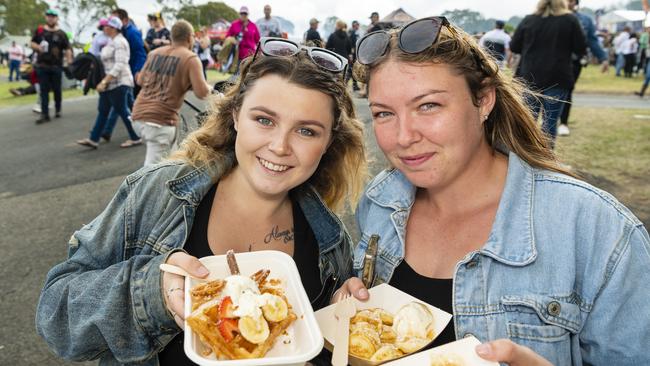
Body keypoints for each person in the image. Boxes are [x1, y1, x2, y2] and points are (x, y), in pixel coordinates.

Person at [337, 14, 650, 366]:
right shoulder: (379, 202)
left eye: (428, 105)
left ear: (484, 99)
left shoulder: (597, 231)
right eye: (383, 114)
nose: (404, 136)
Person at [36, 36, 366, 365]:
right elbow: (56, 314)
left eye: (306, 131)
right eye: (264, 120)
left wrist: (337, 328)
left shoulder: (332, 242)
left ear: (328, 143)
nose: (280, 146)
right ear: (236, 116)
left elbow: (310, 345)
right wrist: (153, 293)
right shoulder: (157, 193)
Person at [132, 20, 212, 166]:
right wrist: (216, 92)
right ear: (189, 38)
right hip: (159, 124)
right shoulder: (190, 58)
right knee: (151, 174)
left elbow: (141, 81)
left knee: (173, 161)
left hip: (138, 117)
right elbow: (202, 93)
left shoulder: (154, 53)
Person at [510, 0, 586, 145]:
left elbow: (514, 46)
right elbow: (580, 48)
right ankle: (546, 162)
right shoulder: (570, 20)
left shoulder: (529, 20)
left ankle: (526, 161)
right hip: (558, 77)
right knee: (549, 125)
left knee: (528, 124)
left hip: (529, 77)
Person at [75, 16, 140, 149]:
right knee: (103, 110)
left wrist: (105, 81)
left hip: (119, 82)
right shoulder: (110, 42)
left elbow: (120, 64)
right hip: (110, 83)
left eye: (107, 26)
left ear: (114, 28)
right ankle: (93, 139)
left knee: (123, 110)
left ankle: (136, 136)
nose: (104, 28)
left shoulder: (120, 42)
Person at [558, 0, 610, 137]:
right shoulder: (551, 15)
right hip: (552, 61)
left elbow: (592, 41)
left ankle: (563, 122)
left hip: (574, 62)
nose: (568, 3)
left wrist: (603, 58)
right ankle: (548, 122)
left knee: (567, 91)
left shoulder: (585, 20)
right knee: (548, 91)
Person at [101, 8, 148, 143]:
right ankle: (109, 131)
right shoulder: (118, 35)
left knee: (122, 104)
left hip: (132, 72)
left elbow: (140, 53)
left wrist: (138, 71)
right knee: (126, 104)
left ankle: (132, 132)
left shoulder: (132, 33)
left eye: (115, 20)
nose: (111, 24)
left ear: (125, 20)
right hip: (124, 74)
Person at [30, 8, 72, 124]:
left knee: (57, 89)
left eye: (53, 16)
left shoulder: (61, 34)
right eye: (49, 16)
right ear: (46, 17)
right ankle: (44, 114)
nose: (51, 18)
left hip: (56, 66)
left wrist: (69, 62)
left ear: (57, 18)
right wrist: (37, 47)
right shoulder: (40, 31)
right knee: (44, 90)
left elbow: (67, 48)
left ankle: (58, 109)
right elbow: (32, 42)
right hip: (42, 65)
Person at [348, 20, 361, 91]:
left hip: (353, 54)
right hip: (353, 54)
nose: (358, 26)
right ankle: (352, 85)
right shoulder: (352, 33)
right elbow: (352, 45)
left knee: (352, 70)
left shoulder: (353, 32)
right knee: (351, 70)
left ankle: (355, 85)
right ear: (354, 25)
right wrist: (352, 55)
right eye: (357, 25)